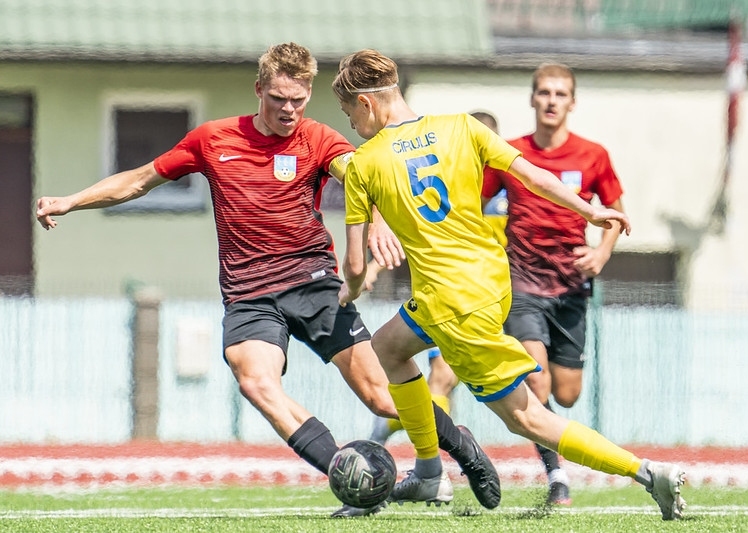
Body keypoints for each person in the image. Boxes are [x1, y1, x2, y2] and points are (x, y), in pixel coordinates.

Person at [34, 42, 500, 518]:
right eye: (278, 98)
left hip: (315, 284)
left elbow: (363, 179)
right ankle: (351, 477)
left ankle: (462, 448)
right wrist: (70, 201)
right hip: (249, 295)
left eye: (298, 100)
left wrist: (378, 219)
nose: (289, 110)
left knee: (381, 396)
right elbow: (139, 179)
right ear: (259, 90)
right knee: (254, 380)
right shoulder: (212, 139)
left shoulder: (318, 138)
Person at [332, 49, 686, 520]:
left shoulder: (364, 163)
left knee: (527, 417)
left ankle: (647, 473)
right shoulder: (462, 125)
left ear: (366, 102)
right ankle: (428, 472)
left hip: (451, 302)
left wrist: (350, 292)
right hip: (493, 280)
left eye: (348, 112)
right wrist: (589, 211)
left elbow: (356, 262)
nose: (352, 123)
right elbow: (532, 175)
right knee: (389, 347)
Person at [481, 62, 624, 505]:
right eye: (544, 92)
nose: (551, 101)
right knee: (537, 383)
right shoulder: (512, 153)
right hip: (522, 284)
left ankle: (554, 448)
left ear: (572, 103)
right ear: (532, 99)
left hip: (570, 289)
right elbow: (472, 202)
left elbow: (616, 212)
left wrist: (600, 253)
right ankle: (556, 474)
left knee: (567, 392)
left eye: (560, 94)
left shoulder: (593, 155)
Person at [368, 110, 502, 445]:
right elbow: (411, 231)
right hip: (448, 295)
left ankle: (395, 432)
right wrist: (372, 268)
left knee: (541, 392)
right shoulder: (444, 185)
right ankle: (428, 464)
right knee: (441, 379)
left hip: (498, 294)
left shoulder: (506, 188)